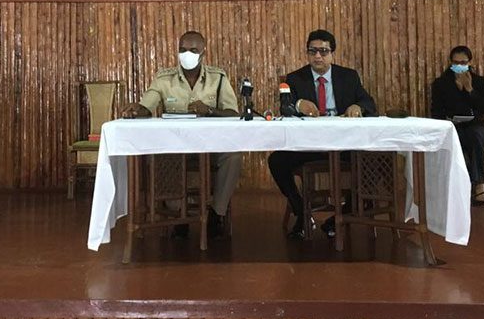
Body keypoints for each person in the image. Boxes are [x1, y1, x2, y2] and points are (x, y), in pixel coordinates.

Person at [121, 31, 242, 238]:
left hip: (210, 146)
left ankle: (216, 213)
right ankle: (179, 215)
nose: (187, 54)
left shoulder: (218, 78)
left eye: (193, 50)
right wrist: (136, 109)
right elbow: (146, 106)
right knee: (161, 159)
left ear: (203, 53)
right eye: (183, 50)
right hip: (176, 147)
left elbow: (233, 113)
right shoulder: (164, 79)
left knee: (234, 156)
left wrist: (210, 110)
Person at [268, 29, 377, 239]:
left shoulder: (348, 76)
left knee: (374, 161)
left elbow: (368, 103)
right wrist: (299, 104)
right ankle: (301, 212)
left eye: (323, 51)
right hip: (310, 146)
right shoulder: (295, 78)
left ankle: (341, 217)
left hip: (343, 144)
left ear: (332, 53)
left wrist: (357, 106)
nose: (318, 56)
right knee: (277, 161)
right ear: (307, 53)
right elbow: (285, 107)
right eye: (313, 51)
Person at [431, 46, 484, 204]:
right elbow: (436, 112)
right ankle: (460, 187)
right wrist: (457, 92)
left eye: (463, 62)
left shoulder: (479, 81)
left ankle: (478, 184)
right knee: (456, 139)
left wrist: (470, 90)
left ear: (470, 63)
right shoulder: (441, 84)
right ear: (450, 63)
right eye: (456, 62)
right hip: (453, 127)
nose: (459, 66)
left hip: (476, 126)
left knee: (475, 136)